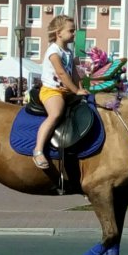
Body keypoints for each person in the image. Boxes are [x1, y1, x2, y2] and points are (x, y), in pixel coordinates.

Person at [33, 15, 86, 169]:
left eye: (74, 30)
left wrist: (81, 88)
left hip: (66, 90)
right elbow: (62, 73)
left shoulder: (68, 52)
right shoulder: (54, 51)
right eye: (71, 30)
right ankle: (38, 150)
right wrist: (76, 91)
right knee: (56, 113)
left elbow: (74, 74)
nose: (74, 33)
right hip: (51, 90)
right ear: (59, 33)